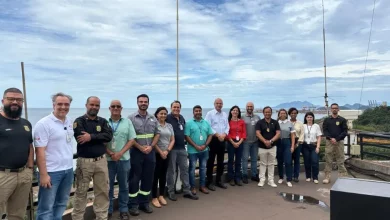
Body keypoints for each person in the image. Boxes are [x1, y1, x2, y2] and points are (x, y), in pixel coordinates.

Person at [34, 92, 74, 220]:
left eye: (66, 104)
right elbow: (39, 151)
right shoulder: (43, 124)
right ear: (53, 105)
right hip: (51, 172)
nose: (63, 107)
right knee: (46, 208)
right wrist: (43, 174)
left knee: (61, 204)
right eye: (60, 104)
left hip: (68, 170)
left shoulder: (69, 121)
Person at [72, 96, 113, 220]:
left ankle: (102, 218)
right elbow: (81, 138)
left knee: (102, 192)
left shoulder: (103, 121)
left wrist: (91, 137)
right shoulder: (79, 121)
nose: (94, 107)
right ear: (86, 105)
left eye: (97, 105)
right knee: (81, 193)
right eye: (92, 105)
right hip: (84, 163)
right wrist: (99, 137)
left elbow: (109, 136)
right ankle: (78, 218)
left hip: (101, 161)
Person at [0, 88, 34, 220]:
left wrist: (30, 168)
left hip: (23, 174)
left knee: (18, 214)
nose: (15, 102)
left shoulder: (26, 123)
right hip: (3, 175)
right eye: (11, 99)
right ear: (3, 101)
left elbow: (30, 146)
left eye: (19, 100)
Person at [127, 94, 160, 216]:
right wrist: (141, 148)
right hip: (136, 153)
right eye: (141, 101)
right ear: (137, 103)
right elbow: (129, 137)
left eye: (145, 101)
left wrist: (151, 147)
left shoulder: (153, 118)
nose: (143, 103)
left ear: (148, 103)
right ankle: (133, 205)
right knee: (134, 179)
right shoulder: (130, 118)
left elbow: (157, 134)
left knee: (148, 178)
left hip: (150, 153)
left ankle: (144, 203)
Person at [106, 100, 136, 220]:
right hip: (108, 160)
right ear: (109, 108)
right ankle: (108, 210)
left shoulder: (127, 122)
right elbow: (101, 142)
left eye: (118, 106)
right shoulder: (104, 123)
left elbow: (132, 140)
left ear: (121, 108)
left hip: (124, 160)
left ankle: (124, 210)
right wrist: (110, 153)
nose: (116, 108)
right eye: (113, 106)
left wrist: (120, 153)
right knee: (108, 187)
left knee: (124, 186)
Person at [166, 101, 198, 201]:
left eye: (178, 107)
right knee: (171, 171)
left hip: (182, 148)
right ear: (171, 108)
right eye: (174, 107)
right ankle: (170, 191)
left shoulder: (182, 118)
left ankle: (187, 191)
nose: (176, 109)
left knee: (185, 170)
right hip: (171, 149)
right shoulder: (167, 118)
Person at [185, 105, 213, 195]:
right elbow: (187, 136)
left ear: (201, 112)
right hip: (193, 151)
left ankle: (202, 186)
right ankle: (192, 187)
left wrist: (205, 145)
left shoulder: (206, 123)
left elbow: (210, 135)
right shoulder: (189, 123)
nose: (198, 112)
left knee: (203, 169)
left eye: (199, 111)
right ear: (193, 112)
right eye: (196, 111)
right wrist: (196, 146)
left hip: (204, 150)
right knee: (192, 169)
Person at [151, 107, 174, 208]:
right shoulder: (154, 125)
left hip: (167, 153)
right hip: (157, 154)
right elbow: (153, 140)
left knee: (163, 175)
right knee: (155, 176)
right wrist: (161, 152)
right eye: (161, 113)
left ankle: (161, 195)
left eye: (165, 114)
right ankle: (154, 197)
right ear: (157, 115)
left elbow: (172, 139)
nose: (163, 115)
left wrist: (167, 151)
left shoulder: (169, 126)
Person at [205, 98, 229, 190]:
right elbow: (208, 126)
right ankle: (209, 182)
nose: (219, 105)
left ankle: (219, 181)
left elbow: (227, 126)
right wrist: (217, 134)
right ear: (214, 104)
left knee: (220, 161)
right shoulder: (210, 114)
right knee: (210, 161)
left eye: (220, 103)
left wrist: (224, 134)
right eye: (217, 103)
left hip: (222, 140)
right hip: (213, 140)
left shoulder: (224, 114)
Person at [322, 103, 348, 184]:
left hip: (339, 141)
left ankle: (342, 176)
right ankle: (327, 177)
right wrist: (331, 138)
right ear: (331, 109)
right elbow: (325, 130)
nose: (334, 109)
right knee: (328, 159)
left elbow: (345, 131)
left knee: (340, 158)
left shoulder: (342, 120)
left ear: (338, 109)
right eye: (333, 108)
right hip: (329, 142)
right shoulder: (327, 120)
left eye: (336, 108)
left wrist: (336, 139)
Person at [255, 106, 280, 188]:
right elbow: (258, 133)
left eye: (269, 112)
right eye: (266, 112)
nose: (267, 113)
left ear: (271, 113)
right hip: (262, 146)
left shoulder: (275, 122)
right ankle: (262, 180)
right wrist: (265, 141)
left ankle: (271, 181)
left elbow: (278, 134)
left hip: (272, 147)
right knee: (262, 163)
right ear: (263, 113)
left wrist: (271, 141)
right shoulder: (259, 122)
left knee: (271, 164)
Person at [226, 105, 246, 186]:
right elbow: (227, 133)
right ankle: (231, 178)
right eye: (233, 110)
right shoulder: (228, 121)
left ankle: (237, 178)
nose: (235, 112)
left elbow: (244, 133)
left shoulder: (241, 121)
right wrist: (233, 142)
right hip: (231, 142)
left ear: (238, 112)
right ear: (231, 112)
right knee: (230, 160)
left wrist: (239, 142)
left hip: (240, 142)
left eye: (237, 110)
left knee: (238, 161)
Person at [242, 102, 261, 184]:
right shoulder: (242, 117)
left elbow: (260, 128)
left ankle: (254, 175)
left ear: (253, 107)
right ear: (246, 107)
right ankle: (244, 175)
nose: (249, 107)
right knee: (245, 159)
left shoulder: (257, 117)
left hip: (255, 142)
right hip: (245, 142)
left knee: (254, 159)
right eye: (248, 106)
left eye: (251, 106)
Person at [276, 109, 296, 187]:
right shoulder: (276, 123)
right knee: (280, 161)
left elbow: (293, 135)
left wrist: (292, 146)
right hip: (278, 142)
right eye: (281, 113)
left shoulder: (289, 123)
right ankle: (281, 177)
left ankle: (289, 179)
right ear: (279, 114)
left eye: (284, 113)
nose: (283, 114)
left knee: (288, 161)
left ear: (286, 114)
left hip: (287, 142)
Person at [302, 112, 322, 184]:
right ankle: (308, 176)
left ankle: (315, 177)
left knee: (315, 161)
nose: (309, 118)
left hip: (314, 145)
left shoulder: (316, 126)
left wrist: (318, 147)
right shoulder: (303, 126)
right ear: (305, 118)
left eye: (311, 117)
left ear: (313, 118)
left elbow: (319, 136)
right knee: (307, 162)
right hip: (305, 146)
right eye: (308, 117)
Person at [288, 107, 304, 182]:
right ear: (289, 114)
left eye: (295, 113)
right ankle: (290, 176)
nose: (293, 114)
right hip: (288, 142)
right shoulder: (287, 122)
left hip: (298, 142)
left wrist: (297, 144)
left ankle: (296, 176)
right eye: (292, 113)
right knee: (289, 160)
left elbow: (302, 134)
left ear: (297, 114)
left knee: (297, 160)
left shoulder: (300, 123)